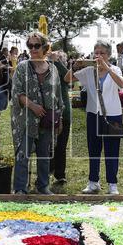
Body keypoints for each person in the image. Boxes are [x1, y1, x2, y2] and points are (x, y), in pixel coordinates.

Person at [70, 40, 123, 194]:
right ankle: (93, 182)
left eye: (102, 53)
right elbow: (67, 78)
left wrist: (107, 68)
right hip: (93, 115)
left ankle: (112, 184)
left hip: (113, 115)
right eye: (96, 52)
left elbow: (122, 84)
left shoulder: (114, 69)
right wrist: (76, 65)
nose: (99, 56)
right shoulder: (88, 70)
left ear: (108, 55)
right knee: (93, 149)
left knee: (112, 150)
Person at [11, 31, 62, 195]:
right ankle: (20, 187)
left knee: (44, 154)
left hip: (47, 120)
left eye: (36, 45)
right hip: (26, 119)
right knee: (23, 154)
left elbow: (58, 95)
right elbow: (17, 92)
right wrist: (32, 106)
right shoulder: (22, 67)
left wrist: (58, 118)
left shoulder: (53, 69)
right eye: (30, 45)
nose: (32, 49)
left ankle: (43, 185)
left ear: (45, 48)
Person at [48, 50, 72, 187]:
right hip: (49, 112)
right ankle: (48, 170)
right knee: (48, 144)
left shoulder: (63, 72)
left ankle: (60, 174)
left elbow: (68, 77)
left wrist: (57, 62)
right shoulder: (47, 70)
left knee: (61, 145)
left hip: (64, 112)